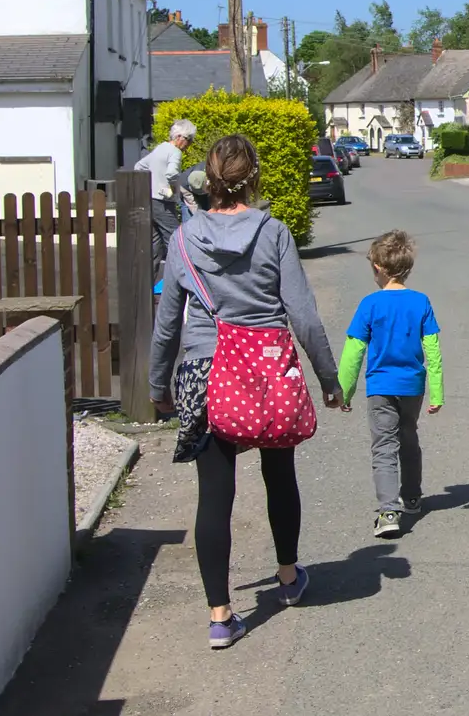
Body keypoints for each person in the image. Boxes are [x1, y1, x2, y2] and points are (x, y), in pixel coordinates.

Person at [149, 134, 343, 650]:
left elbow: (168, 321)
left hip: (203, 371)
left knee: (215, 494)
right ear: (253, 176)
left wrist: (157, 386)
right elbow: (302, 314)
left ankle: (220, 615)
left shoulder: (184, 240)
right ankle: (286, 579)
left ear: (206, 181)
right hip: (265, 368)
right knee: (279, 475)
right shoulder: (274, 232)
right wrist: (329, 378)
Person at [338, 230, 444, 539]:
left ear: (379, 268)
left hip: (380, 388)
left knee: (384, 446)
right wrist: (436, 390)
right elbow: (433, 350)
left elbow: (354, 349)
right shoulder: (420, 302)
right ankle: (411, 496)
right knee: (408, 437)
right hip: (413, 387)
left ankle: (388, 511)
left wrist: (344, 390)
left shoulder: (370, 305)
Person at [134, 119, 196, 275]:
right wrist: (172, 188)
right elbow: (172, 173)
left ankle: (147, 288)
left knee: (155, 244)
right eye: (189, 140)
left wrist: (152, 184)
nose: (189, 145)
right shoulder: (175, 152)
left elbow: (139, 166)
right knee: (175, 239)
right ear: (180, 137)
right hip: (163, 202)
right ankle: (183, 282)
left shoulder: (160, 148)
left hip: (150, 200)